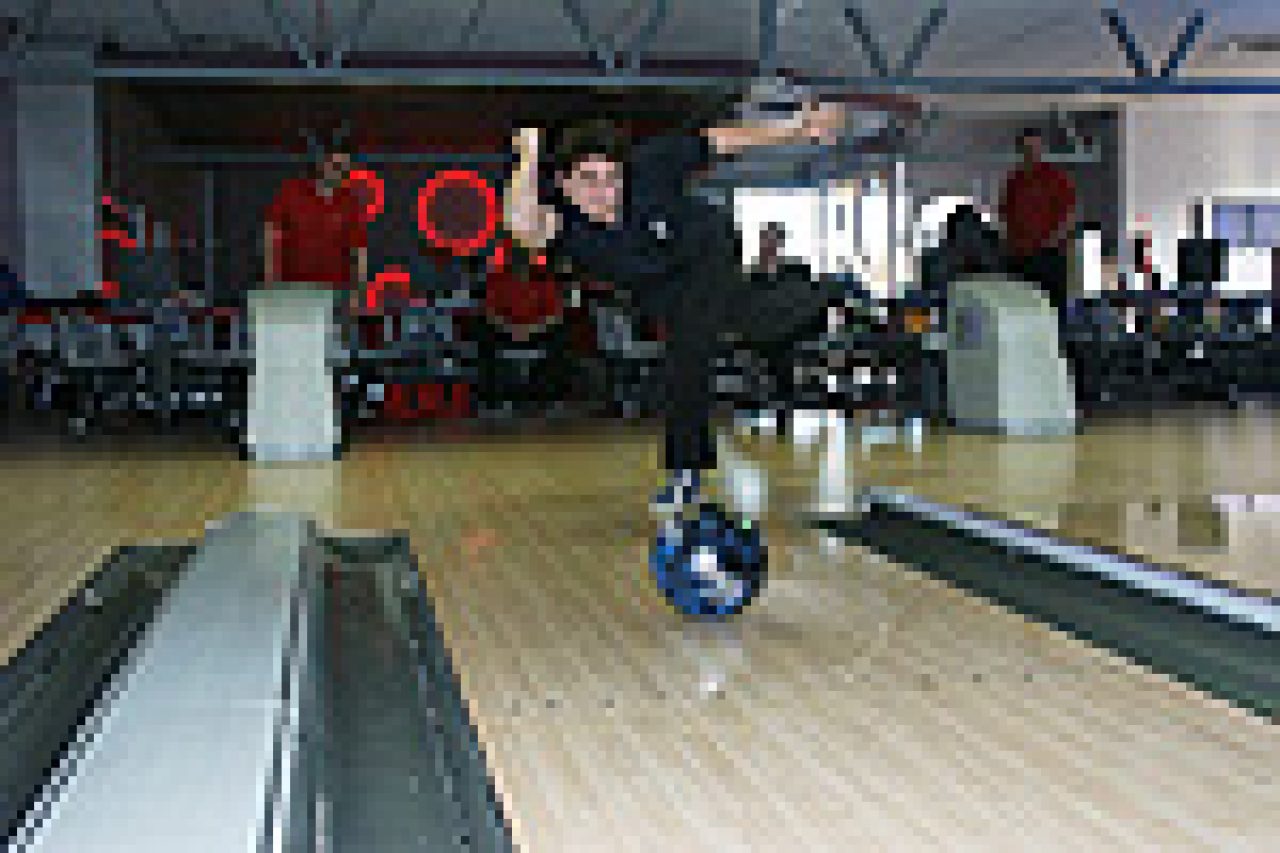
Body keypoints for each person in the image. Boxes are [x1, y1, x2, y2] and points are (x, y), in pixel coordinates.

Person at [504, 97, 846, 516]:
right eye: (589, 181)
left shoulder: (651, 167)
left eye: (611, 179)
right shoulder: (562, 224)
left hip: (705, 248)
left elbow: (721, 140)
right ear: (563, 183)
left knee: (689, 353)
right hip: (657, 289)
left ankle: (686, 474)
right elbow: (521, 226)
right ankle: (819, 294)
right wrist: (528, 157)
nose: (604, 194)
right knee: (742, 322)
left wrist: (797, 127)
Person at [263, 146, 368, 309]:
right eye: (336, 166)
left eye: (345, 168)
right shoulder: (292, 191)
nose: (340, 172)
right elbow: (272, 237)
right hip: (294, 289)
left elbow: (358, 249)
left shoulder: (350, 202)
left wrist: (358, 292)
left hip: (335, 292)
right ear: (322, 163)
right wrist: (271, 282)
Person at [1000, 128, 1076, 314]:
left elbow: (1069, 215)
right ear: (1020, 151)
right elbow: (1005, 216)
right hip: (1020, 256)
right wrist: (1009, 246)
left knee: (1053, 307)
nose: (1031, 153)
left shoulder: (1056, 178)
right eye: (1027, 148)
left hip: (1049, 255)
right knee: (1022, 307)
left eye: (1034, 148)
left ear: (1041, 149)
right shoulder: (1013, 181)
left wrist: (1053, 243)